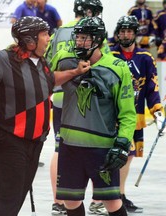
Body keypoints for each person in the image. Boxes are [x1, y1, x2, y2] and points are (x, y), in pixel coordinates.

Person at [0, 16, 90, 216]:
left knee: (11, 204)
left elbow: (51, 81)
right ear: (30, 40)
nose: (49, 38)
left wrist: (75, 72)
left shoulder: (41, 61)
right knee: (8, 205)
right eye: (44, 34)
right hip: (9, 143)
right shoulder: (5, 59)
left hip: (34, 144)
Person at [55, 16, 137, 216]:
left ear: (98, 40)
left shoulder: (117, 67)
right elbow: (45, 80)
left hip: (102, 148)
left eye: (85, 38)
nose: (79, 42)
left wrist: (122, 143)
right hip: (70, 146)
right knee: (70, 201)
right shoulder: (66, 61)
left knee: (112, 202)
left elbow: (127, 113)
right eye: (78, 38)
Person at [45, 0, 109, 215]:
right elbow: (104, 63)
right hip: (86, 98)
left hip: (60, 97)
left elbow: (47, 63)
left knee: (60, 149)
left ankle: (59, 201)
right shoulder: (96, 31)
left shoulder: (58, 32)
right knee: (90, 148)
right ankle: (97, 199)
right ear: (91, 12)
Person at [111, 15, 165, 213]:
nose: (126, 34)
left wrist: (157, 112)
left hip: (135, 117)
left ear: (135, 33)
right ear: (117, 33)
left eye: (129, 31)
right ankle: (109, 195)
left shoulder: (145, 58)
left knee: (128, 155)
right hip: (113, 117)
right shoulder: (110, 56)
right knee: (119, 155)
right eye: (122, 31)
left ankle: (119, 195)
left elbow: (152, 87)